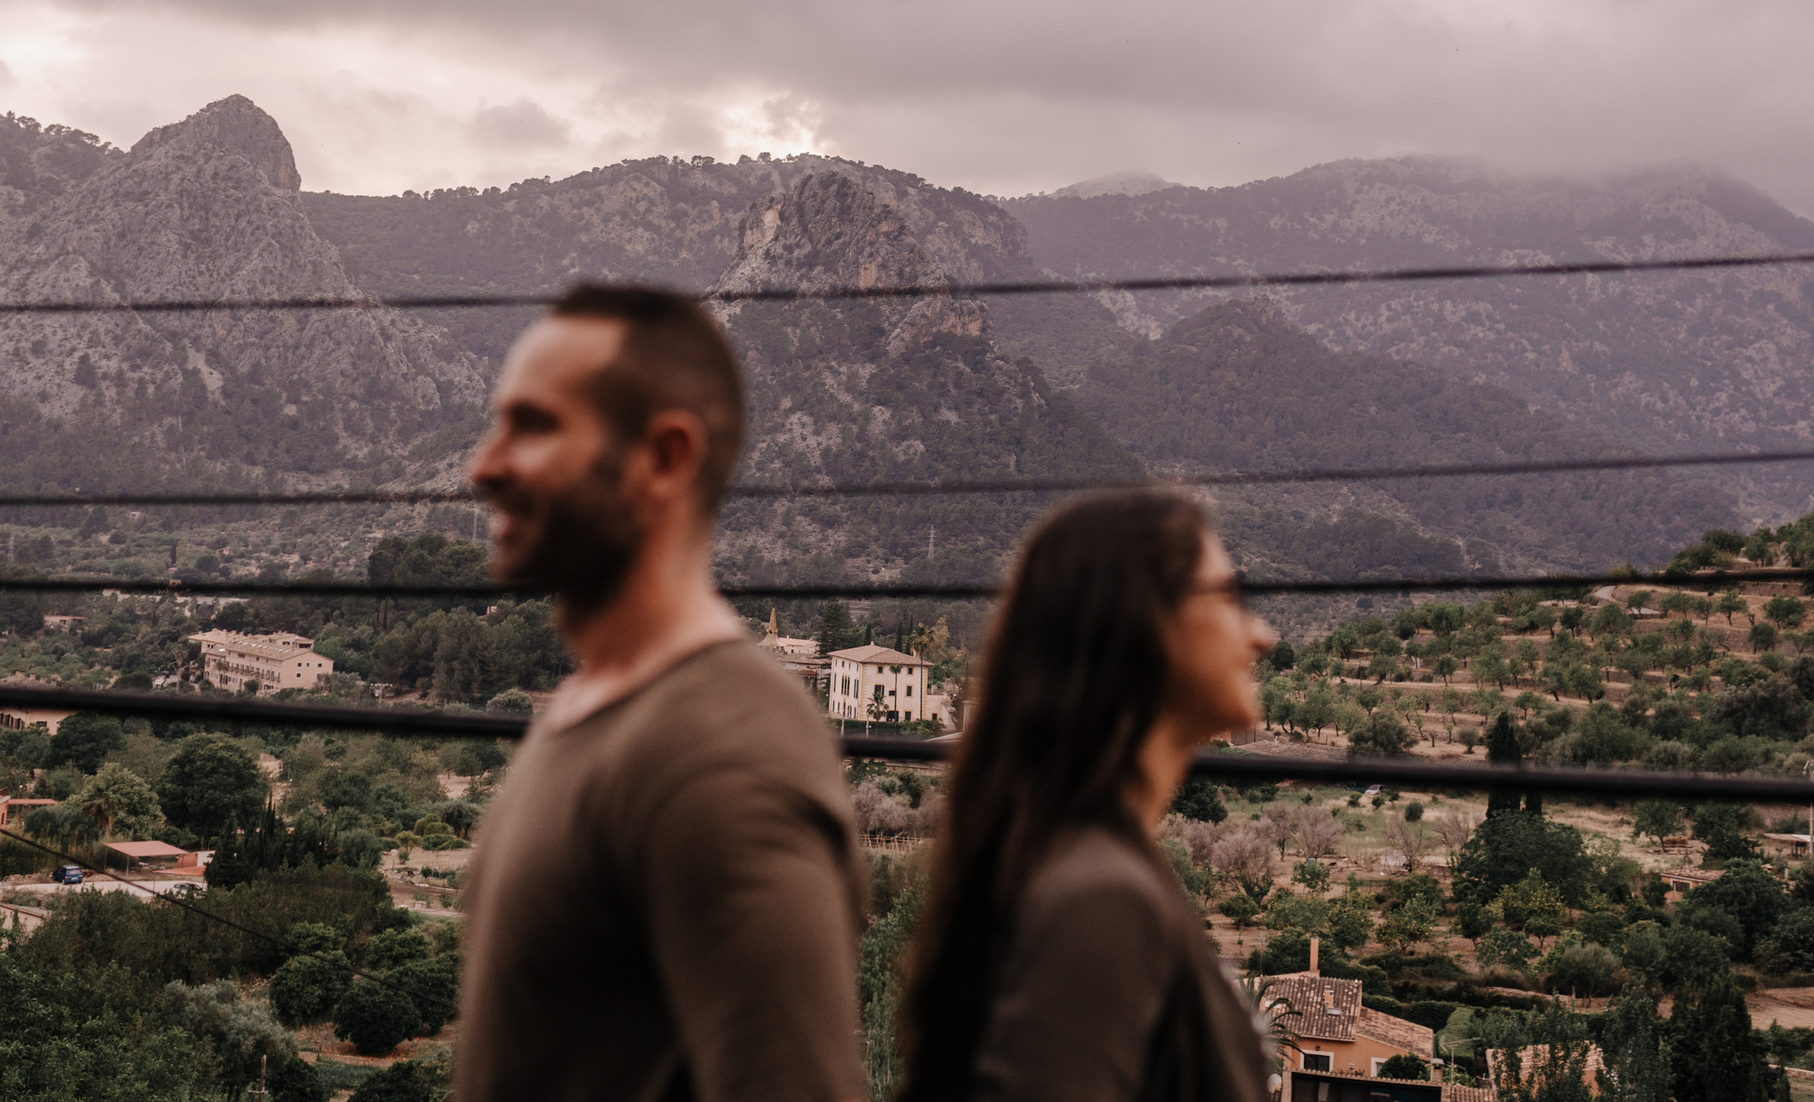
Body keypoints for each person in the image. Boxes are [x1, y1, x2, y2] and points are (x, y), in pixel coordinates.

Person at [455, 284, 865, 1102]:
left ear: (664, 458)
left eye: (534, 424)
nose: (485, 466)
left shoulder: (721, 751)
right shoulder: (593, 708)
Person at [901, 490, 1276, 1102]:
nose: (1262, 634)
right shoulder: (1102, 895)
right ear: (1144, 620)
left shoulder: (1071, 859)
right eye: (1231, 597)